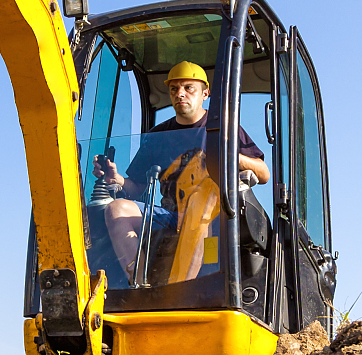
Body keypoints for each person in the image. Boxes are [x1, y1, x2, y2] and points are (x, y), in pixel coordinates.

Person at [92, 62, 268, 278]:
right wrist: (118, 179)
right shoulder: (158, 135)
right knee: (115, 209)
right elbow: (137, 188)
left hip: (213, 217)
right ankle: (138, 283)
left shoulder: (222, 129)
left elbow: (263, 173)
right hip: (170, 215)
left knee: (198, 206)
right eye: (174, 89)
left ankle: (184, 292)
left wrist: (230, 156)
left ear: (205, 93)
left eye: (188, 88)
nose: (180, 94)